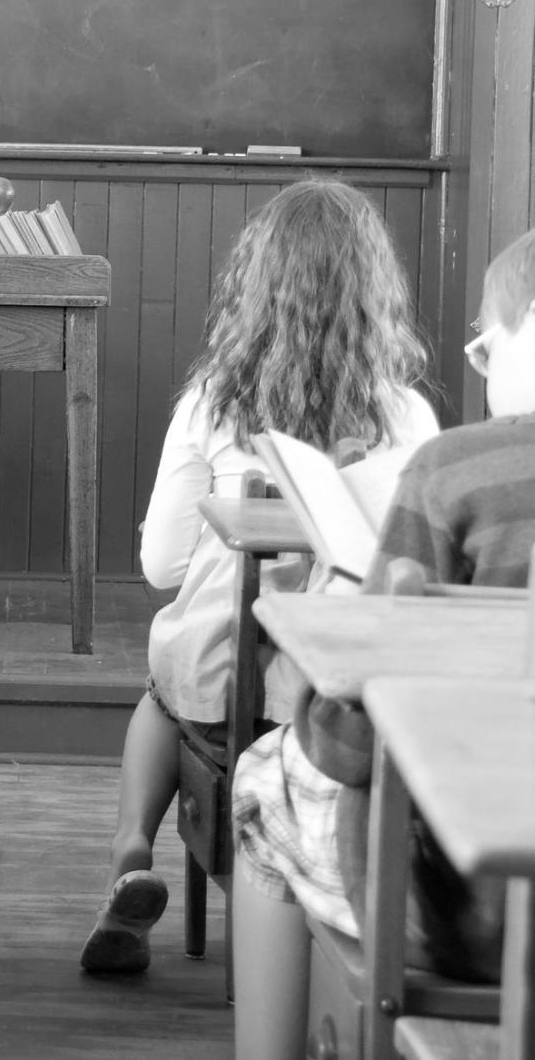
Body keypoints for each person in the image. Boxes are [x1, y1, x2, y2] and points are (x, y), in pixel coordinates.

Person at [80, 179, 438, 976]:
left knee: (164, 687)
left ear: (254, 283)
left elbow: (160, 567)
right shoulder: (410, 416)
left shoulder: (212, 401)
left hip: (221, 688)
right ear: (378, 290)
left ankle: (131, 843)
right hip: (338, 697)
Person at [229, 228, 535, 1060]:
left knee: (263, 782)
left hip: (468, 914)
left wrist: (306, 675)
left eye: (485, 343)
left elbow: (350, 742)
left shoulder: (453, 471)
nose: (477, 364)